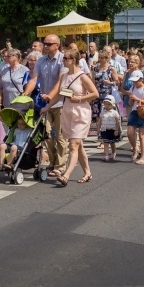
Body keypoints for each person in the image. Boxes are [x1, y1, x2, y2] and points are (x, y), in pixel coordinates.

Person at [41, 48, 97, 185]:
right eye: (63, 58)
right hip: (67, 112)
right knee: (79, 145)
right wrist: (47, 107)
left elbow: (95, 93)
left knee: (73, 145)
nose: (63, 60)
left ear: (73, 60)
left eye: (65, 58)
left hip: (81, 113)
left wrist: (80, 98)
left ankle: (66, 174)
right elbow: (60, 94)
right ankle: (87, 172)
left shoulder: (82, 76)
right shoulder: (64, 76)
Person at [23, 35, 66, 176]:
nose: (45, 45)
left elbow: (60, 82)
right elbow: (33, 79)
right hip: (45, 104)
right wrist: (25, 94)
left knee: (59, 135)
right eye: (44, 43)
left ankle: (60, 165)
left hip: (60, 102)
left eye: (49, 43)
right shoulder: (41, 60)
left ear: (57, 45)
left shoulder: (62, 60)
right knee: (46, 134)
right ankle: (52, 162)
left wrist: (50, 95)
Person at [126, 70, 144, 163]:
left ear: (141, 79)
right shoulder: (133, 88)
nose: (135, 83)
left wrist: (136, 99)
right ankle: (135, 148)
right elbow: (130, 102)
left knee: (142, 135)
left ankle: (143, 157)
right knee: (129, 133)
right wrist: (131, 100)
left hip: (143, 111)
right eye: (133, 81)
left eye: (136, 81)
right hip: (134, 111)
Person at [97, 95, 121, 162]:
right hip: (104, 130)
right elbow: (100, 121)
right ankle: (106, 155)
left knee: (112, 143)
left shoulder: (114, 112)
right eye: (105, 104)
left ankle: (113, 153)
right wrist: (98, 129)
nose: (107, 105)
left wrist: (116, 130)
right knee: (106, 143)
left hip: (112, 130)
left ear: (112, 104)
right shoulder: (103, 112)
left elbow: (117, 122)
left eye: (109, 104)